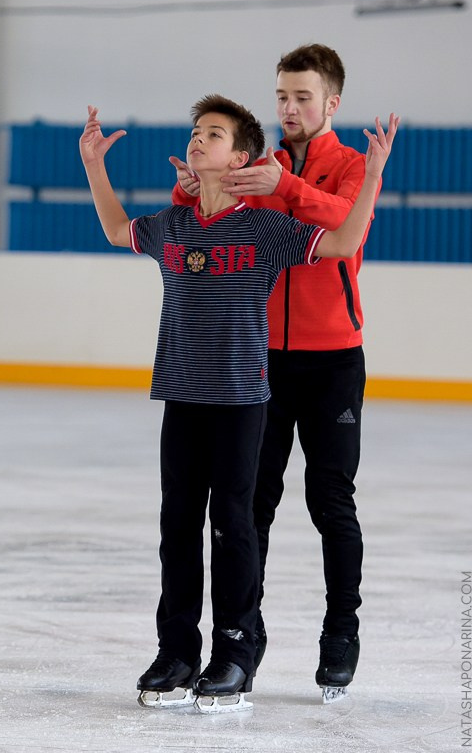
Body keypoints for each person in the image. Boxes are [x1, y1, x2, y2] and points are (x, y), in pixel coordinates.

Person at [79, 94, 397, 712]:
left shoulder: (265, 228)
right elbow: (119, 230)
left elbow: (343, 242)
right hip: (181, 394)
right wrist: (95, 166)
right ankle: (176, 651)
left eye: (214, 134)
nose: (198, 141)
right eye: (196, 132)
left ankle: (233, 652)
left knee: (233, 524)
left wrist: (375, 174)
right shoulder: (173, 228)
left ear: (241, 157)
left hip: (243, 398)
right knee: (177, 524)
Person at [170, 44, 385, 700]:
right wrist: (190, 184)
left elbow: (346, 226)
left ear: (331, 103)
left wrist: (284, 187)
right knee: (246, 506)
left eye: (303, 97)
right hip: (257, 360)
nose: (290, 108)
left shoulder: (351, 167)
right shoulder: (255, 168)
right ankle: (244, 638)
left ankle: (340, 632)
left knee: (330, 502)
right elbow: (202, 215)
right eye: (282, 96)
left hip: (333, 363)